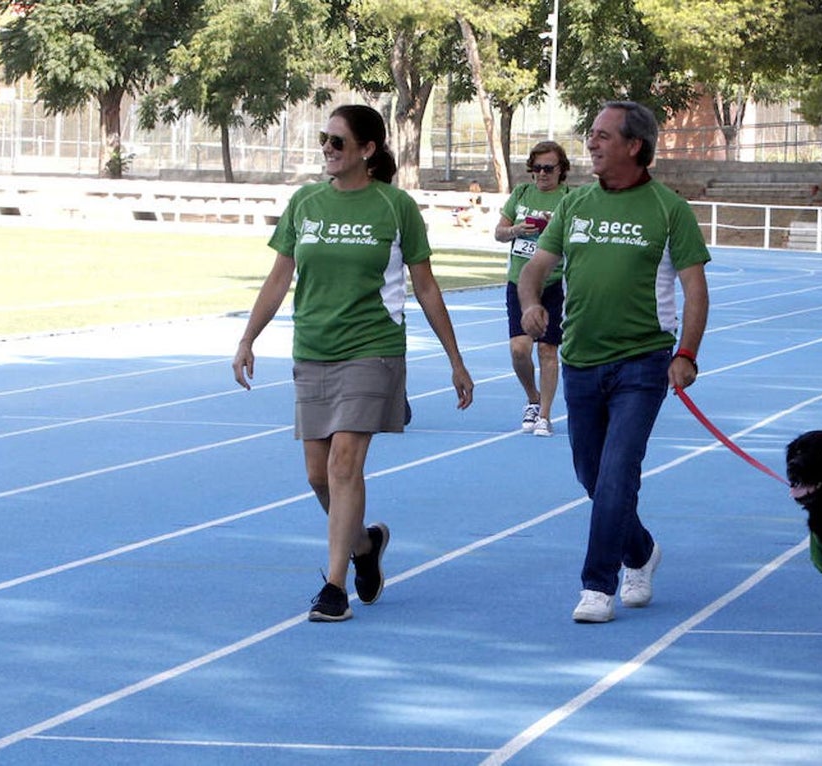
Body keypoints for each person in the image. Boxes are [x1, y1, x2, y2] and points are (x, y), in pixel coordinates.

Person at [232, 104, 474, 622]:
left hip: (373, 348)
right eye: (325, 140)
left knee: (345, 466)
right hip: (314, 348)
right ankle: (364, 546)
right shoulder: (305, 203)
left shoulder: (394, 207)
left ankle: (335, 587)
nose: (327, 149)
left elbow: (426, 286)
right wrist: (248, 337)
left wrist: (456, 359)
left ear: (367, 150)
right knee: (318, 476)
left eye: (337, 142)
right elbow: (279, 278)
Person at [519, 101, 710, 624]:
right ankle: (641, 552)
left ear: (634, 146)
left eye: (604, 136)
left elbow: (695, 290)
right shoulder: (575, 204)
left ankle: (596, 585)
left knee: (618, 472)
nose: (593, 144)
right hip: (580, 362)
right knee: (591, 474)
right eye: (592, 135)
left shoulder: (669, 209)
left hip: (641, 364)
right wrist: (533, 303)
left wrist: (687, 354)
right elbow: (533, 269)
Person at [493, 141, 570, 437]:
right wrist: (516, 230)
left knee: (548, 350)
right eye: (536, 168)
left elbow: (578, 239)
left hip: (552, 283)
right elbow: (499, 233)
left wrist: (554, 229)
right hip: (519, 281)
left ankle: (545, 416)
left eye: (548, 168)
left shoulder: (569, 198)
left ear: (561, 169)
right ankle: (532, 398)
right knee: (519, 350)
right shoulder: (521, 194)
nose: (541, 174)